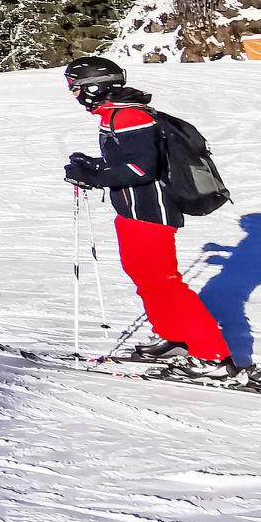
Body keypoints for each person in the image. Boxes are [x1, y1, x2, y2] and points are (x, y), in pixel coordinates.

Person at [61, 56, 241, 376]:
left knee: (164, 283)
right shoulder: (116, 114)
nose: (74, 94)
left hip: (150, 213)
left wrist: (94, 177)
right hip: (134, 212)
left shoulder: (129, 116)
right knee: (146, 279)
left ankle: (213, 356)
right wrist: (93, 165)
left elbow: (141, 169)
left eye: (75, 87)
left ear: (94, 87)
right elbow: (128, 160)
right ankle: (175, 338)